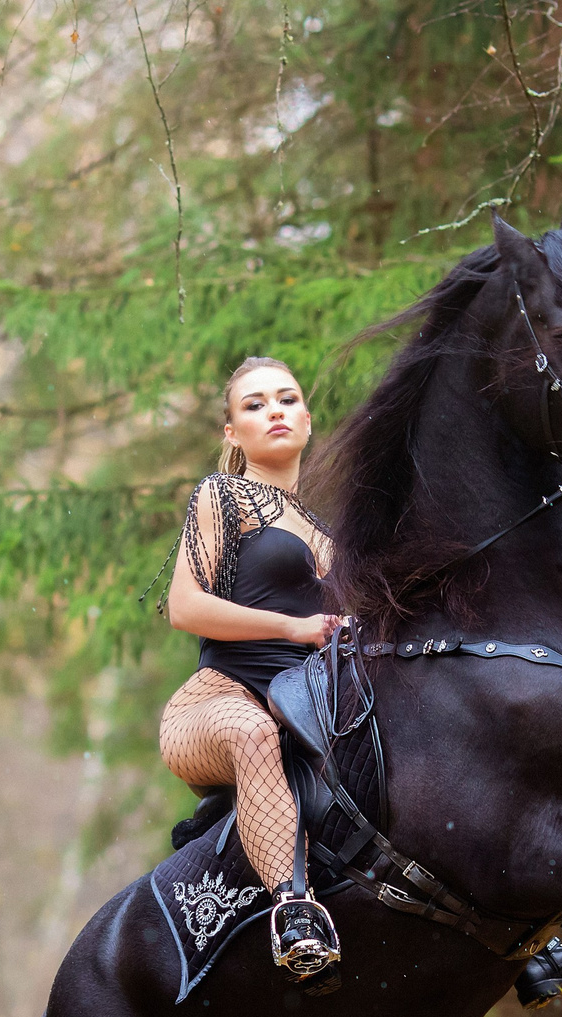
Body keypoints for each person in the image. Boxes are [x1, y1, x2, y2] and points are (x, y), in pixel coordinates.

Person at [160, 356, 343, 981]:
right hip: (214, 704)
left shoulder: (330, 533)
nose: (275, 411)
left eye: (287, 399)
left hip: (309, 709)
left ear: (308, 420)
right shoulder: (226, 496)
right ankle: (296, 915)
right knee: (252, 731)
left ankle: (542, 933)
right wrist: (292, 628)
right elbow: (184, 606)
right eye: (255, 404)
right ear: (233, 433)